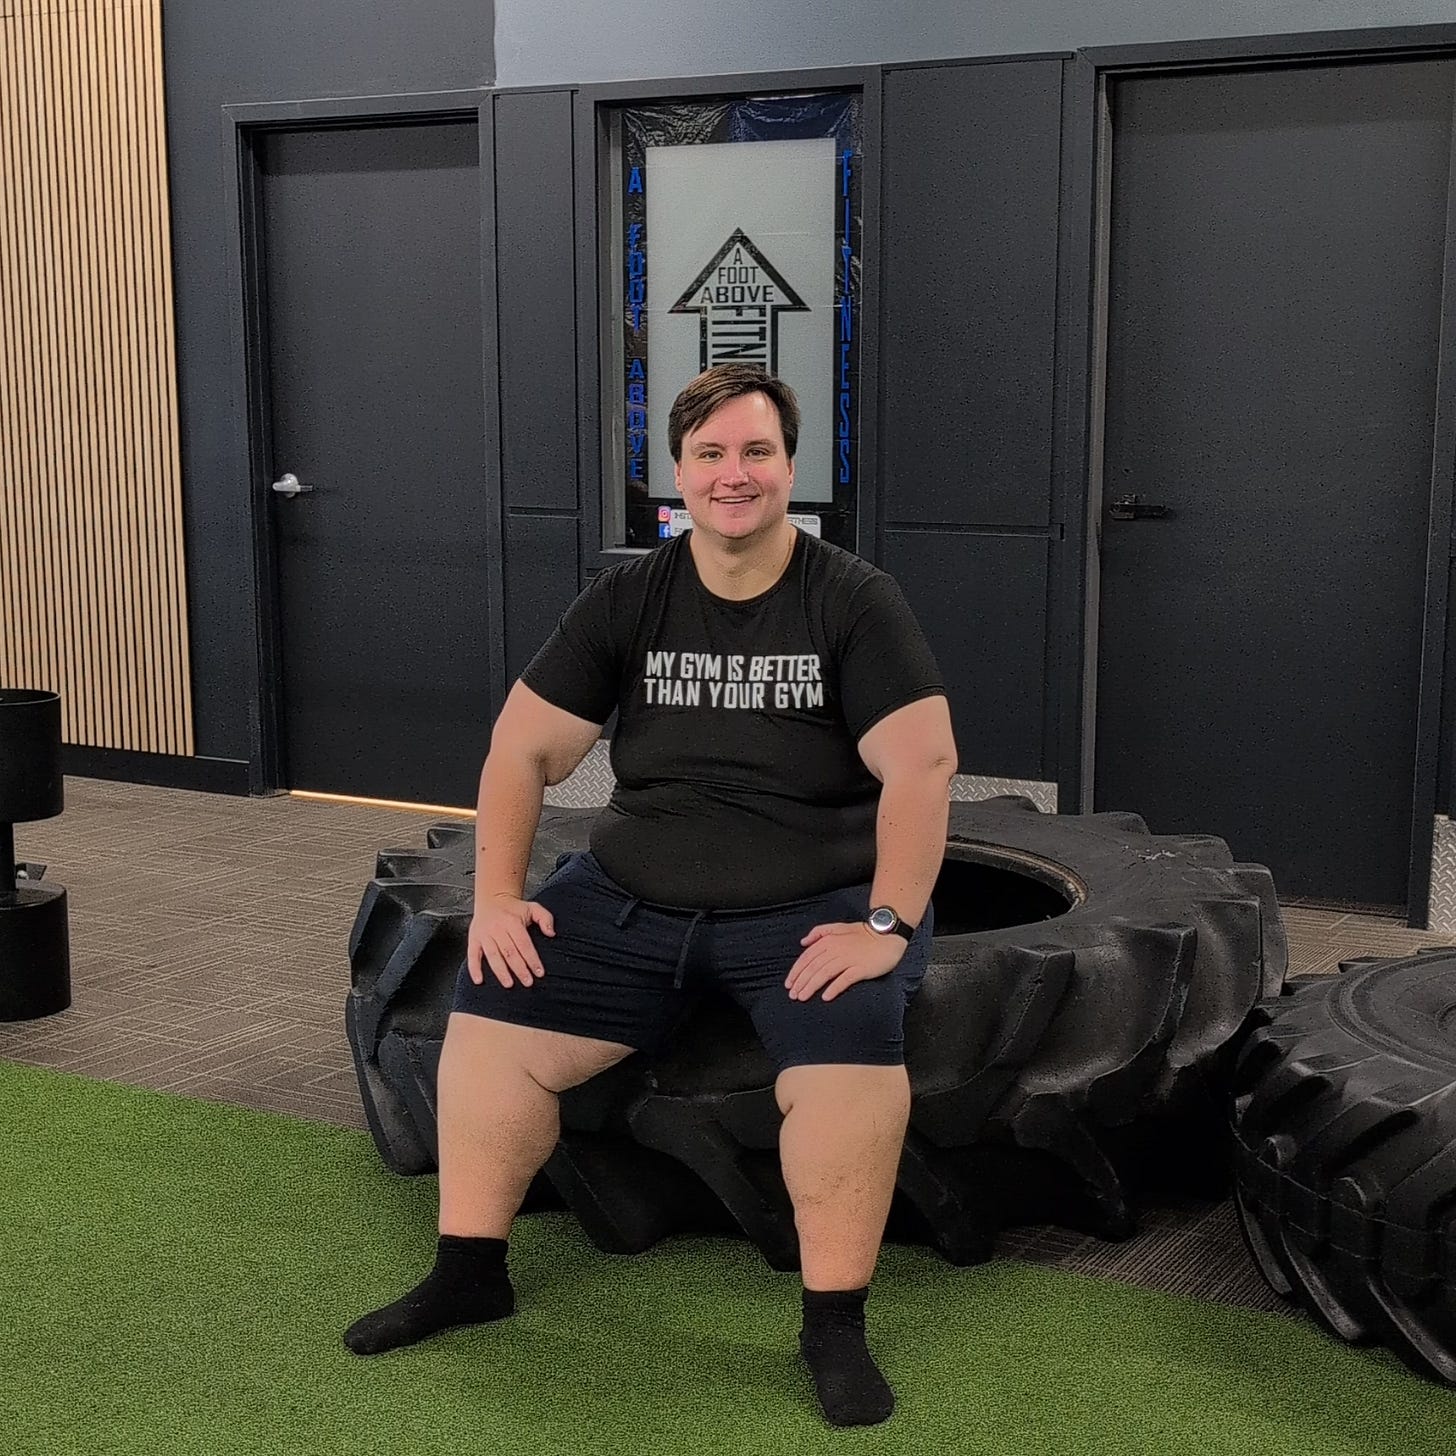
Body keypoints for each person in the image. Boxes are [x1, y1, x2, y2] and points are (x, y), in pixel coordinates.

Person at [344, 363, 956, 1428]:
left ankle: (833, 1327)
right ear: (676, 473)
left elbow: (923, 765)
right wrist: (495, 897)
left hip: (807, 900)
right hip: (632, 891)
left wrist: (887, 923)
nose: (735, 475)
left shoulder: (851, 598)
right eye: (711, 455)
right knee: (488, 1025)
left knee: (852, 1072)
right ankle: (470, 1271)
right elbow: (519, 747)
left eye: (756, 452)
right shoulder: (632, 594)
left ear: (790, 467)